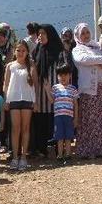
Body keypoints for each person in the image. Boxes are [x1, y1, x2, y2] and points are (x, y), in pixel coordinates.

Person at [72, 23, 102, 159]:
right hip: (90, 90)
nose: (86, 35)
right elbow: (83, 59)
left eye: (87, 32)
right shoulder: (78, 50)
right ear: (77, 36)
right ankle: (90, 150)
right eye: (82, 33)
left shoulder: (97, 46)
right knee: (91, 120)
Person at [3, 41, 36, 170]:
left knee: (25, 128)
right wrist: (6, 100)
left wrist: (35, 101)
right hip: (14, 99)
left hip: (28, 99)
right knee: (15, 129)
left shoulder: (31, 65)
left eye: (23, 50)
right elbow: (5, 84)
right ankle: (15, 157)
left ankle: (23, 157)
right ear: (14, 52)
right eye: (18, 50)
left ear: (27, 52)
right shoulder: (10, 66)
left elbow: (35, 85)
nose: (21, 53)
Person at [30, 24, 62, 157]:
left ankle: (57, 149)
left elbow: (65, 72)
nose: (40, 36)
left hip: (56, 93)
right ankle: (41, 149)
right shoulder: (37, 51)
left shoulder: (60, 52)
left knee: (55, 121)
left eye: (43, 33)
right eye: (39, 34)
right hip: (40, 95)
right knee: (40, 122)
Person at [49, 64, 79, 165]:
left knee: (68, 137)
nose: (63, 77)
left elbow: (75, 104)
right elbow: (52, 101)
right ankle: (60, 155)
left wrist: (76, 118)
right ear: (57, 76)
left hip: (69, 116)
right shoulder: (55, 88)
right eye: (60, 75)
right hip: (58, 116)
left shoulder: (73, 89)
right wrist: (46, 90)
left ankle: (68, 154)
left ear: (69, 75)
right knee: (59, 136)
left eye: (65, 74)